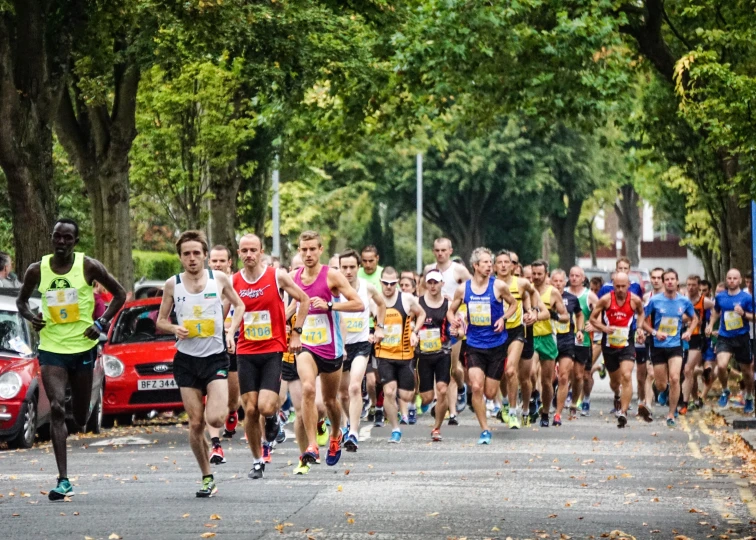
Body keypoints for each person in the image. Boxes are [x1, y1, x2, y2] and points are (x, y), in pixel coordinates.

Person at [16, 219, 127, 500]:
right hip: (52, 348)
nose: (61, 242)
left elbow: (120, 294)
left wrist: (101, 323)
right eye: (57, 237)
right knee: (55, 407)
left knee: (79, 416)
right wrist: (32, 318)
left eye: (67, 238)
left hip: (83, 348)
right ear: (51, 238)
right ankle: (63, 479)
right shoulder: (36, 270)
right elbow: (21, 301)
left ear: (75, 242)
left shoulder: (88, 266)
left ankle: (77, 409)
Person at [156, 230, 245, 497]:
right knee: (195, 424)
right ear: (180, 257)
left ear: (206, 256)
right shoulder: (173, 285)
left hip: (215, 357)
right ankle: (207, 476)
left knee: (215, 417)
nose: (192, 258)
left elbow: (239, 306)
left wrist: (229, 332)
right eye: (187, 254)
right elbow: (160, 320)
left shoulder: (218, 278)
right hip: (186, 361)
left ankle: (226, 419)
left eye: (197, 253)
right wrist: (174, 329)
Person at [233, 234, 310, 479]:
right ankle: (257, 461)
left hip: (272, 350)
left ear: (261, 251)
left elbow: (304, 299)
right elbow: (222, 310)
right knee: (250, 410)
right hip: (245, 351)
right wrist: (225, 334)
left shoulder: (276, 276)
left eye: (253, 250)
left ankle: (274, 418)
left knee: (265, 407)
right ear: (238, 253)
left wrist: (296, 333)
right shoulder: (234, 281)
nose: (249, 255)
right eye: (244, 250)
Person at [293, 231, 364, 468]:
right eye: (304, 249)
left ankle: (335, 434)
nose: (308, 254)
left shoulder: (331, 276)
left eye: (312, 249)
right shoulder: (295, 278)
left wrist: (331, 305)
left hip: (331, 348)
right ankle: (313, 445)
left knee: (332, 401)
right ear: (299, 250)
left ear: (320, 250)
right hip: (306, 345)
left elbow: (358, 303)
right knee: (308, 389)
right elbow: (290, 308)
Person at [448, 247, 517, 444]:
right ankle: (485, 429)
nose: (489, 266)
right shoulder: (464, 289)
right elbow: (451, 311)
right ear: (475, 266)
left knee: (489, 392)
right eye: (485, 262)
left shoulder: (499, 286)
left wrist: (503, 318)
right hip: (474, 344)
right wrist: (454, 321)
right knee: (476, 386)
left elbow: (513, 305)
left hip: (496, 344)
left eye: (490, 262)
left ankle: (499, 407)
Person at [338, 249, 385, 452]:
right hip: (340, 346)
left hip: (361, 344)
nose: (348, 271)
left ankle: (354, 433)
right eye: (344, 267)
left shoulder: (367, 287)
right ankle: (346, 425)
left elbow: (382, 305)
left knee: (355, 387)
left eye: (351, 267)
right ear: (339, 268)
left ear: (358, 268)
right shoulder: (334, 289)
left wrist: (380, 326)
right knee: (342, 393)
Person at [373, 267, 425, 442]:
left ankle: (400, 402)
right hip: (384, 353)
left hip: (404, 354)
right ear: (380, 283)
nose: (389, 287)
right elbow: (364, 318)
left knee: (406, 395)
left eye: (392, 283)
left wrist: (414, 332)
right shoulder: (375, 301)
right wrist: (370, 333)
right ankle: (395, 429)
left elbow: (422, 313)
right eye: (385, 283)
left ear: (397, 283)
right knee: (388, 391)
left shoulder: (406, 299)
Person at [423, 238, 472, 423]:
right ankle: (450, 412)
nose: (440, 253)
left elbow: (473, 289)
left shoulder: (458, 270)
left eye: (444, 250)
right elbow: (422, 293)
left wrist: (462, 309)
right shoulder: (429, 270)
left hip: (454, 323)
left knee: (452, 369)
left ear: (450, 251)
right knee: (439, 367)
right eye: (437, 250)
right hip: (435, 324)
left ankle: (461, 387)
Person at [589, 272, 645, 428]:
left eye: (623, 286)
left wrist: (640, 328)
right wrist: (604, 328)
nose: (620, 289)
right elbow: (593, 319)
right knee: (615, 381)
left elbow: (641, 314)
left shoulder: (635, 300)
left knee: (626, 376)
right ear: (613, 285)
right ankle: (617, 394)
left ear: (629, 285)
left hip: (627, 343)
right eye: (617, 286)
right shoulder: (605, 300)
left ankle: (623, 412)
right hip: (609, 345)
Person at [642, 269, 697, 426]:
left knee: (674, 378)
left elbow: (695, 318)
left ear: (677, 281)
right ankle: (659, 388)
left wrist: (689, 332)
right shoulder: (655, 301)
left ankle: (671, 414)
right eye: (667, 279)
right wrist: (654, 332)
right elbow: (642, 319)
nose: (670, 282)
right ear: (664, 282)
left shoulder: (684, 301)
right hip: (658, 345)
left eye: (673, 279)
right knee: (661, 384)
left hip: (675, 345)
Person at [493, 250, 535, 429]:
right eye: (499, 262)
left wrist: (532, 311)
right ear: (494, 266)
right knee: (501, 374)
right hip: (495, 333)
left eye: (506, 262)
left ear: (513, 266)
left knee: (511, 371)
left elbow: (532, 294)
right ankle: (504, 401)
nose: (503, 265)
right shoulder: (490, 285)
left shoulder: (522, 283)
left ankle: (513, 412)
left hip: (516, 332)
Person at [206, 245, 239, 465]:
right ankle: (215, 444)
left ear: (229, 263)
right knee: (212, 395)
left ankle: (232, 413)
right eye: (214, 261)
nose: (217, 264)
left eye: (221, 261)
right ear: (209, 262)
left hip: (238, 343)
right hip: (213, 345)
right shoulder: (204, 284)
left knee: (233, 400)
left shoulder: (238, 282)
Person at [706, 268, 755, 413]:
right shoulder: (721, 297)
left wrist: (744, 314)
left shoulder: (746, 298)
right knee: (721, 366)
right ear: (726, 280)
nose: (732, 281)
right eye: (729, 278)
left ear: (739, 281)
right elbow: (716, 311)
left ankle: (749, 396)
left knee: (747, 371)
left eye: (735, 278)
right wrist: (710, 324)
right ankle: (725, 390)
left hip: (742, 337)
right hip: (724, 336)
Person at [530, 261, 569, 428]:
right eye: (534, 273)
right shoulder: (527, 290)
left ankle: (545, 412)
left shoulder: (553, 293)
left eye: (540, 274)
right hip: (530, 337)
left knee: (547, 381)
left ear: (546, 274)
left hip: (547, 338)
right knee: (531, 371)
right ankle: (533, 396)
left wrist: (555, 316)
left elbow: (566, 316)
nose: (537, 277)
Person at [417, 270, 452, 440]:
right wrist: (412, 334)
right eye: (429, 282)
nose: (432, 285)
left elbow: (459, 326)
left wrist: (457, 330)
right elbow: (409, 323)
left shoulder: (448, 304)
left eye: (436, 282)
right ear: (425, 283)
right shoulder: (418, 303)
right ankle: (430, 405)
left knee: (443, 389)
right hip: (423, 355)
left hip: (443, 352)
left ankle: (437, 428)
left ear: (442, 284)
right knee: (427, 397)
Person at [550, 268, 584, 426]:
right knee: (548, 378)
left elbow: (579, 314)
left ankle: (558, 414)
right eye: (555, 280)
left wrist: (579, 330)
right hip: (549, 339)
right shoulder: (545, 297)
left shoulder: (571, 298)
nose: (558, 284)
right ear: (551, 282)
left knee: (564, 376)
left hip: (567, 339)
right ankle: (547, 400)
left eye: (560, 281)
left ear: (565, 282)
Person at [681, 274, 714, 414]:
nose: (691, 287)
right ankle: (695, 399)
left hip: (697, 338)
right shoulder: (681, 299)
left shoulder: (704, 301)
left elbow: (715, 311)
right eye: (688, 284)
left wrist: (710, 324)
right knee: (688, 372)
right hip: (682, 337)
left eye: (694, 285)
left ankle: (684, 404)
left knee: (688, 369)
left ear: (698, 286)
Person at [568, 266, 597, 419]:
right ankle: (571, 399)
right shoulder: (563, 293)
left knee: (581, 376)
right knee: (566, 372)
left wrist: (594, 324)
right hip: (565, 338)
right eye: (571, 275)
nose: (574, 278)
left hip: (583, 340)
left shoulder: (589, 296)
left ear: (583, 278)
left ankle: (583, 398)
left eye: (577, 276)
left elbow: (601, 312)